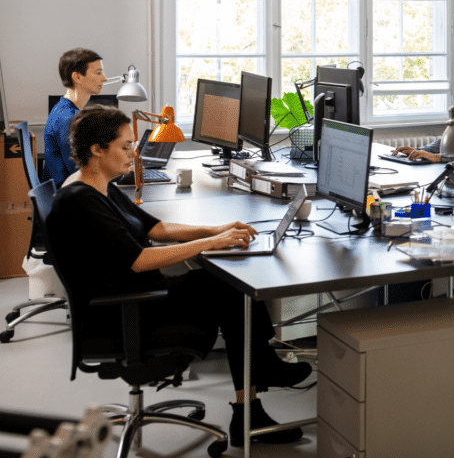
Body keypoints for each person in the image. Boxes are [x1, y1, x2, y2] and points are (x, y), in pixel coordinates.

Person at [46, 106, 312, 448]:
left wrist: (216, 229)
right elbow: (139, 260)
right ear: (97, 150)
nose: (133, 153)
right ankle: (258, 387)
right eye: (125, 147)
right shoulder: (81, 200)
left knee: (227, 284)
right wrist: (212, 243)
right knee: (228, 289)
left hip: (134, 294)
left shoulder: (101, 186)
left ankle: (254, 394)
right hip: (122, 313)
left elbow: (157, 227)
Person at [42, 48, 105, 186]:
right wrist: (123, 172)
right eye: (98, 73)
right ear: (77, 77)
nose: (104, 78)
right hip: (69, 197)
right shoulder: (69, 118)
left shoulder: (62, 109)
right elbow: (83, 173)